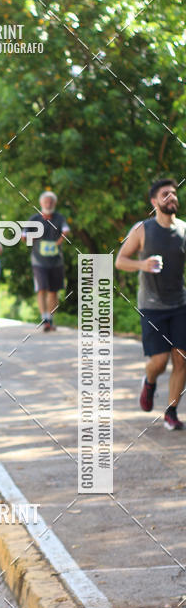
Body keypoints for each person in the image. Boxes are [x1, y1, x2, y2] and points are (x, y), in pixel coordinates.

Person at [116, 178, 186, 430]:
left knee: (182, 359)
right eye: (165, 194)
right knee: (159, 362)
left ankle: (171, 412)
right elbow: (120, 261)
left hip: (180, 303)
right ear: (154, 201)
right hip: (152, 306)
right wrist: (142, 265)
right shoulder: (142, 230)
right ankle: (149, 381)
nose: (172, 197)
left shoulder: (183, 229)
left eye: (174, 193)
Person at [23, 191, 70, 331]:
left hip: (56, 261)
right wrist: (30, 238)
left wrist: (59, 241)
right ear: (41, 203)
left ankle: (50, 318)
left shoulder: (59, 218)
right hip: (39, 261)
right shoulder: (34, 219)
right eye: (46, 202)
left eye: (51, 202)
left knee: (53, 291)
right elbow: (23, 235)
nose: (48, 204)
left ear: (54, 203)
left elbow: (66, 230)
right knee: (41, 289)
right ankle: (44, 319)